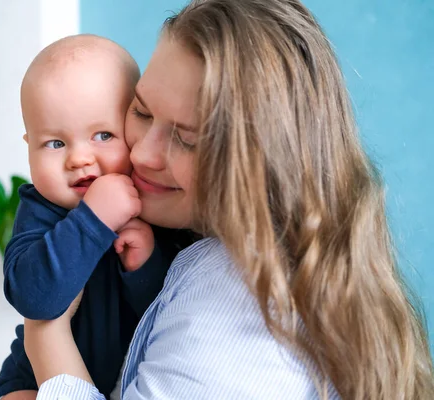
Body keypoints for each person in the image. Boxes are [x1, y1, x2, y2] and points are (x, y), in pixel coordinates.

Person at [24, 0, 434, 399]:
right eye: (142, 112)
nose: (141, 154)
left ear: (263, 159)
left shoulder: (236, 304)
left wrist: (45, 334)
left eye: (186, 139)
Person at [0, 34, 195, 400]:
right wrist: (93, 219)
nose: (79, 158)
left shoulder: (155, 203)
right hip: (34, 381)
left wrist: (144, 265)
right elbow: (33, 300)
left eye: (103, 135)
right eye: (55, 143)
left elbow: (166, 312)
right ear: (29, 146)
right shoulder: (41, 209)